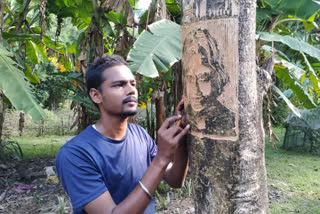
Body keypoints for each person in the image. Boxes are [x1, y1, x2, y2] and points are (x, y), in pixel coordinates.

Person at [55, 54, 190, 214]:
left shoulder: (139, 134)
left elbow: (175, 180)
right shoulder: (75, 154)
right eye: (119, 85)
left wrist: (181, 135)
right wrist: (161, 159)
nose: (131, 90)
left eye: (133, 84)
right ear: (96, 95)